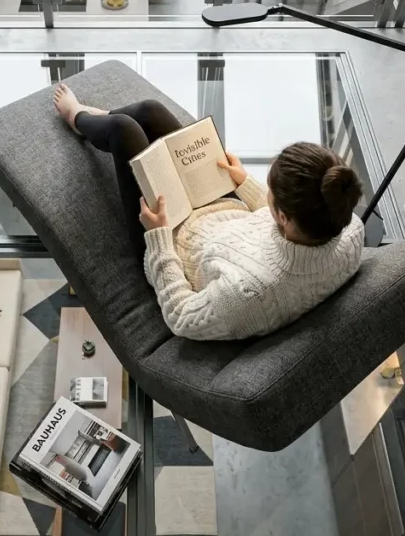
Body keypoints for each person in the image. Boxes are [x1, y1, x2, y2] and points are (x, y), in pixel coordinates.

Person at [54, 84, 364, 342]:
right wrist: (246, 184)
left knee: (124, 130)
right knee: (150, 111)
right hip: (225, 211)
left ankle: (77, 116)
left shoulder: (248, 295)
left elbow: (182, 317)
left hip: (171, 235)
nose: (265, 191)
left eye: (270, 190)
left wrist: (158, 235)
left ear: (283, 216)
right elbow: (296, 226)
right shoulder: (346, 225)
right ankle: (102, 122)